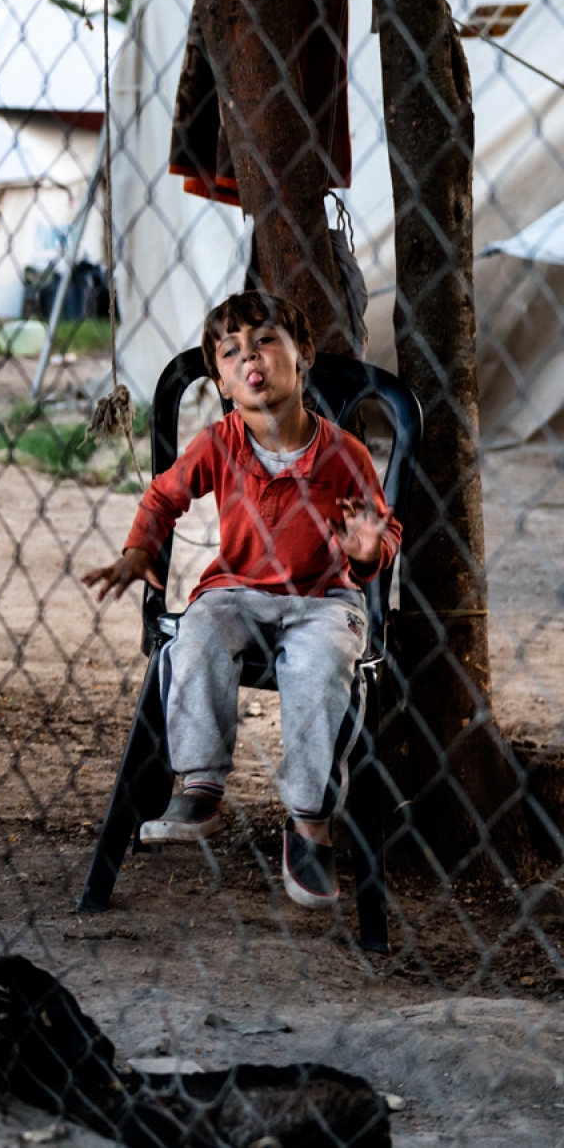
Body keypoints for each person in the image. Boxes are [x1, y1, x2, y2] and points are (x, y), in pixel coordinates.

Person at [82, 292, 399, 909]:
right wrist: (139, 550)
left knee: (320, 667)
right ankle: (201, 786)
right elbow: (162, 497)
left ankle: (310, 822)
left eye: (265, 341)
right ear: (223, 384)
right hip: (237, 590)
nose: (250, 358)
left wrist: (366, 551)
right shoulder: (219, 442)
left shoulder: (345, 454)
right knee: (195, 635)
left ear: (303, 355)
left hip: (323, 598)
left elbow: (381, 534)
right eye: (231, 352)